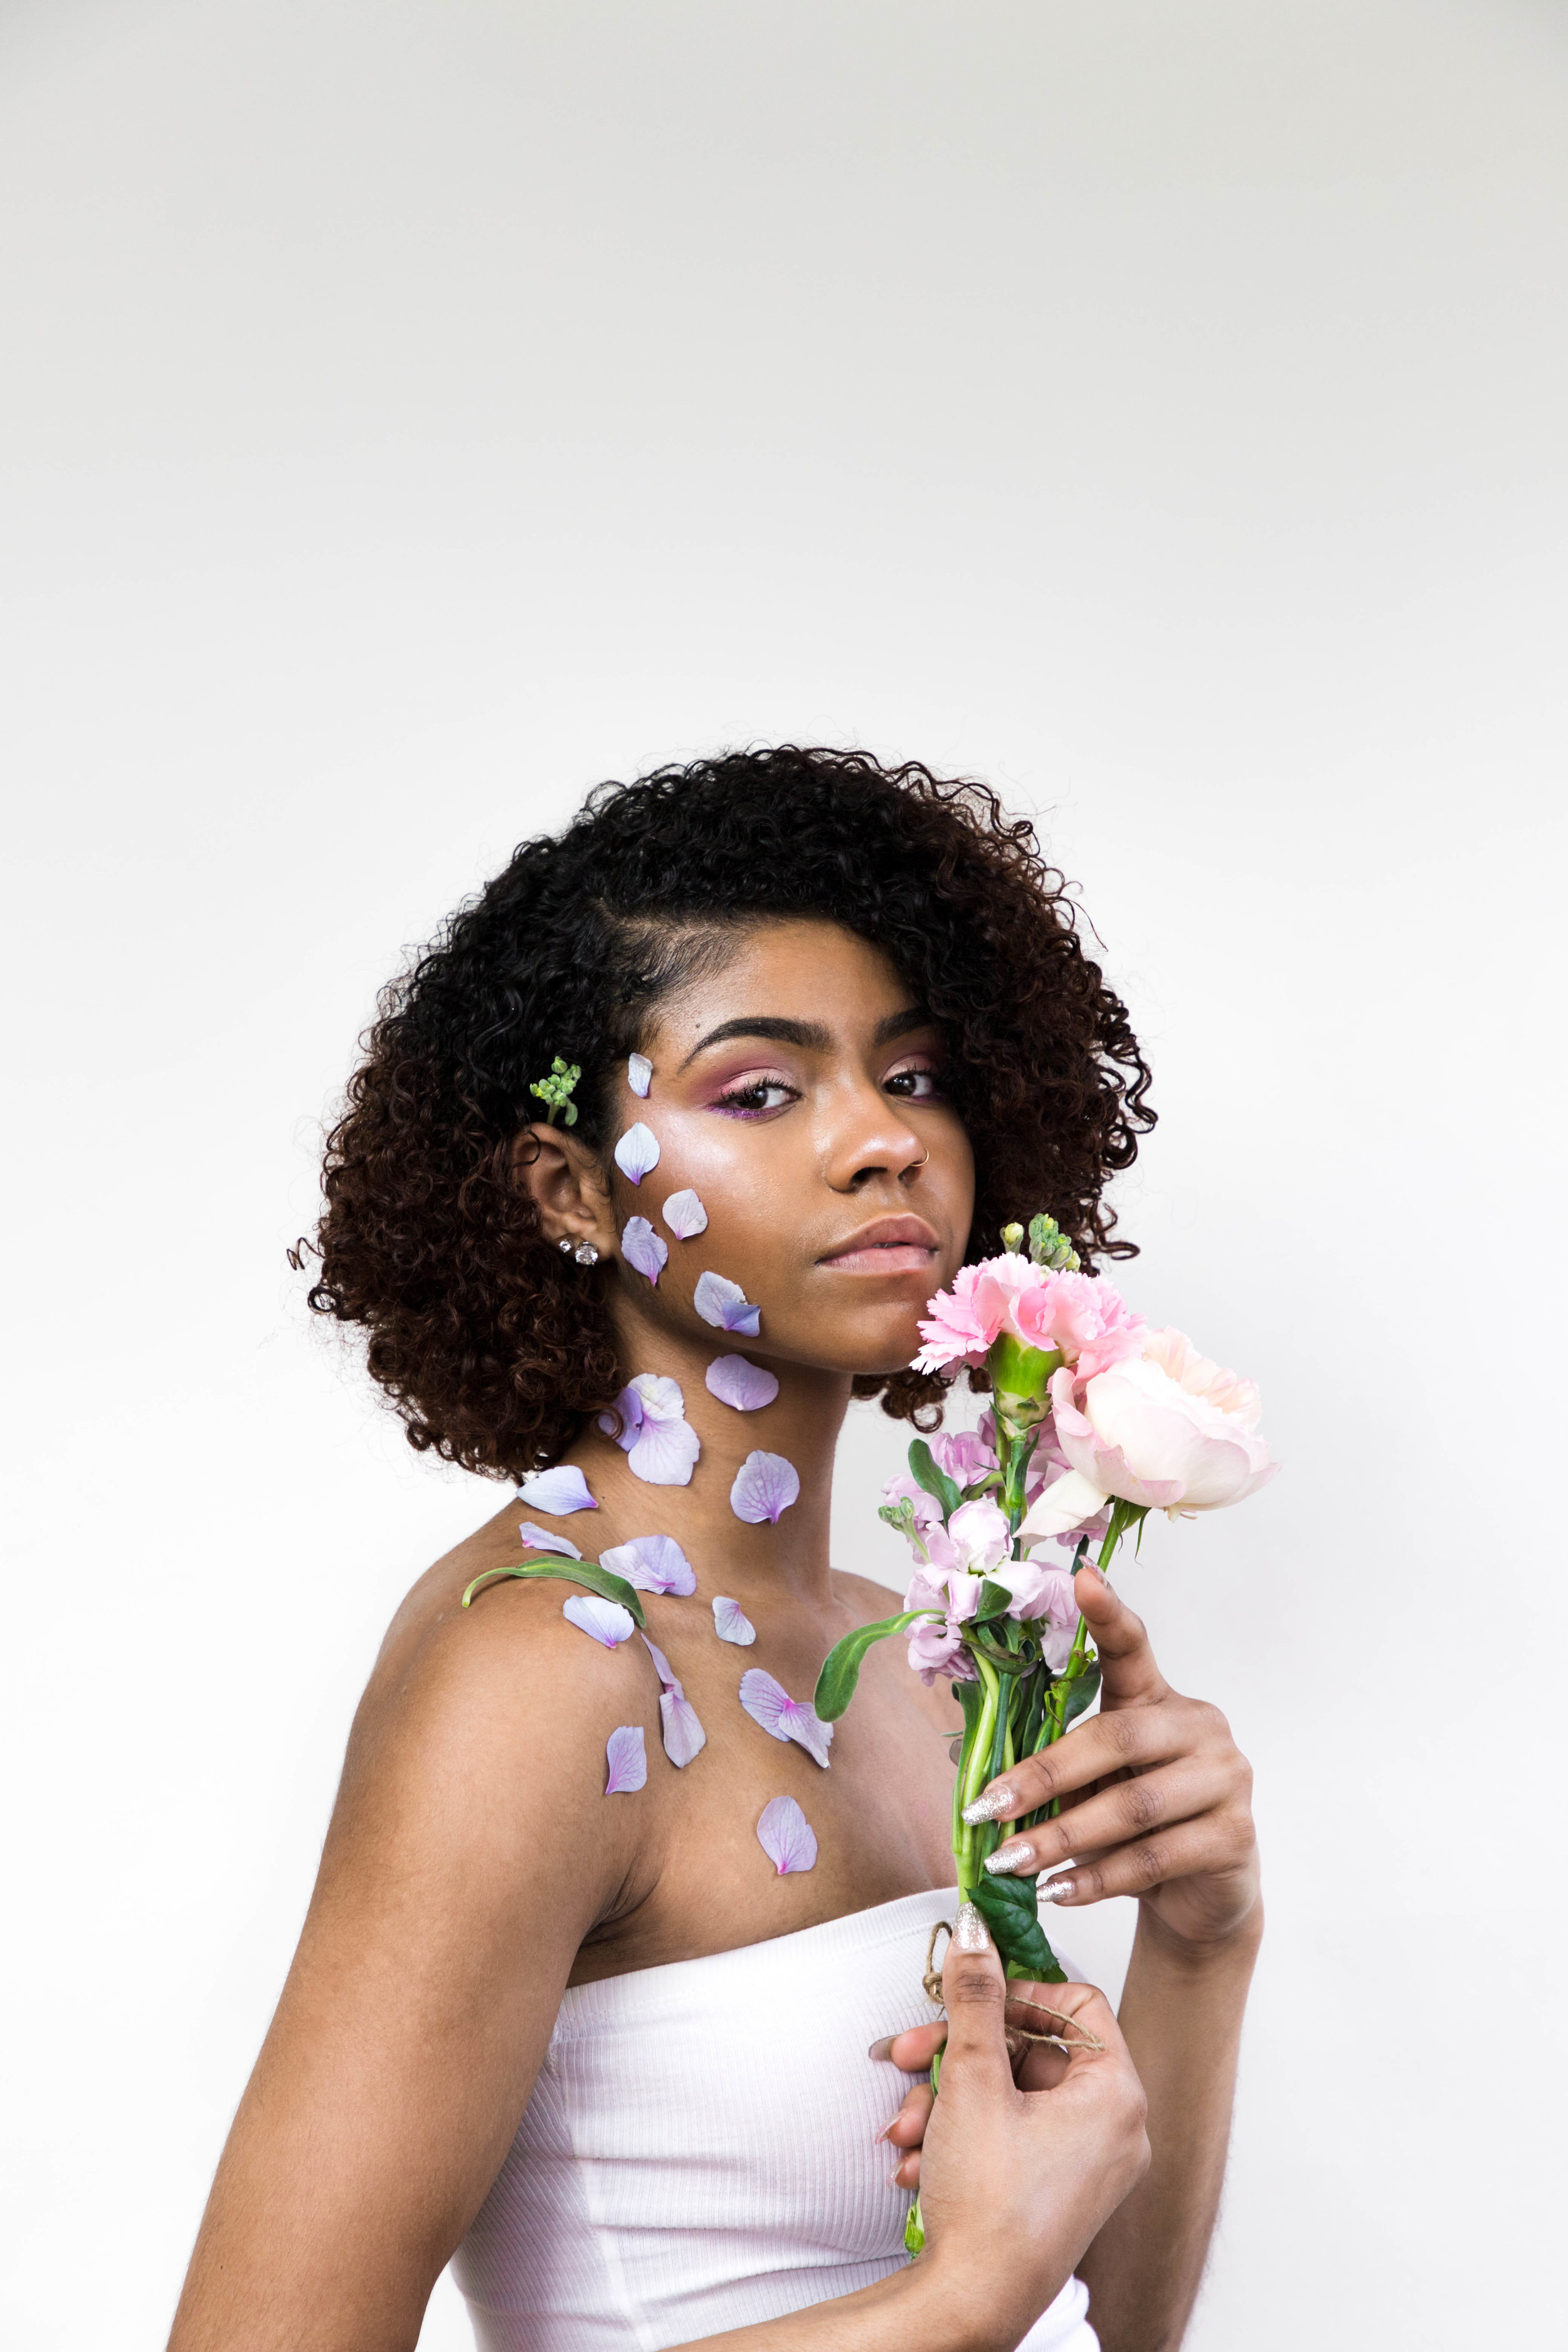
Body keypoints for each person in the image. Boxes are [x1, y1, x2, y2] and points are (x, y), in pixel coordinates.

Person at [167, 748, 1262, 2352]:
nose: (879, 1143)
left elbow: (1111, 2319)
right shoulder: (546, 1668)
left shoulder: (915, 1651)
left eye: (913, 1075)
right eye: (759, 1090)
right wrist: (951, 2297)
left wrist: (1199, 1937)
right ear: (570, 1191)